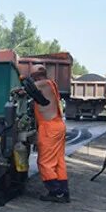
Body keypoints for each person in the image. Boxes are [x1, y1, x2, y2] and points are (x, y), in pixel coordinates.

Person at [30, 64, 70, 203]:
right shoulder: (51, 84)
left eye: (32, 76)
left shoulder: (43, 84)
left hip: (49, 128)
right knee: (58, 161)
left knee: (44, 162)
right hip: (57, 125)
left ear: (36, 76)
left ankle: (55, 191)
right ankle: (64, 192)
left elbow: (28, 89)